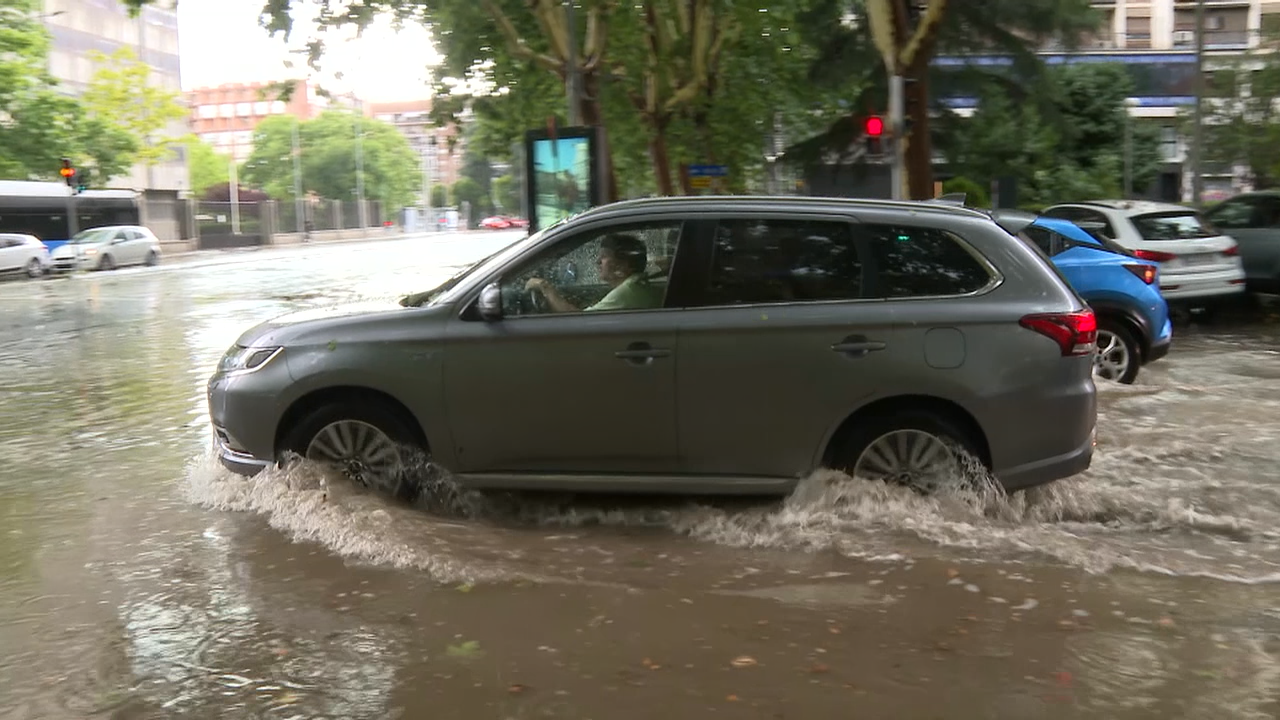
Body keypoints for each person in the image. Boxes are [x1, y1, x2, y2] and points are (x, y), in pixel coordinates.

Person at [525, 233, 664, 313]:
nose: (597, 261)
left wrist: (545, 287)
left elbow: (578, 321)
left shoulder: (629, 291)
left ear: (622, 265)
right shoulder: (636, 285)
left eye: (604, 256)